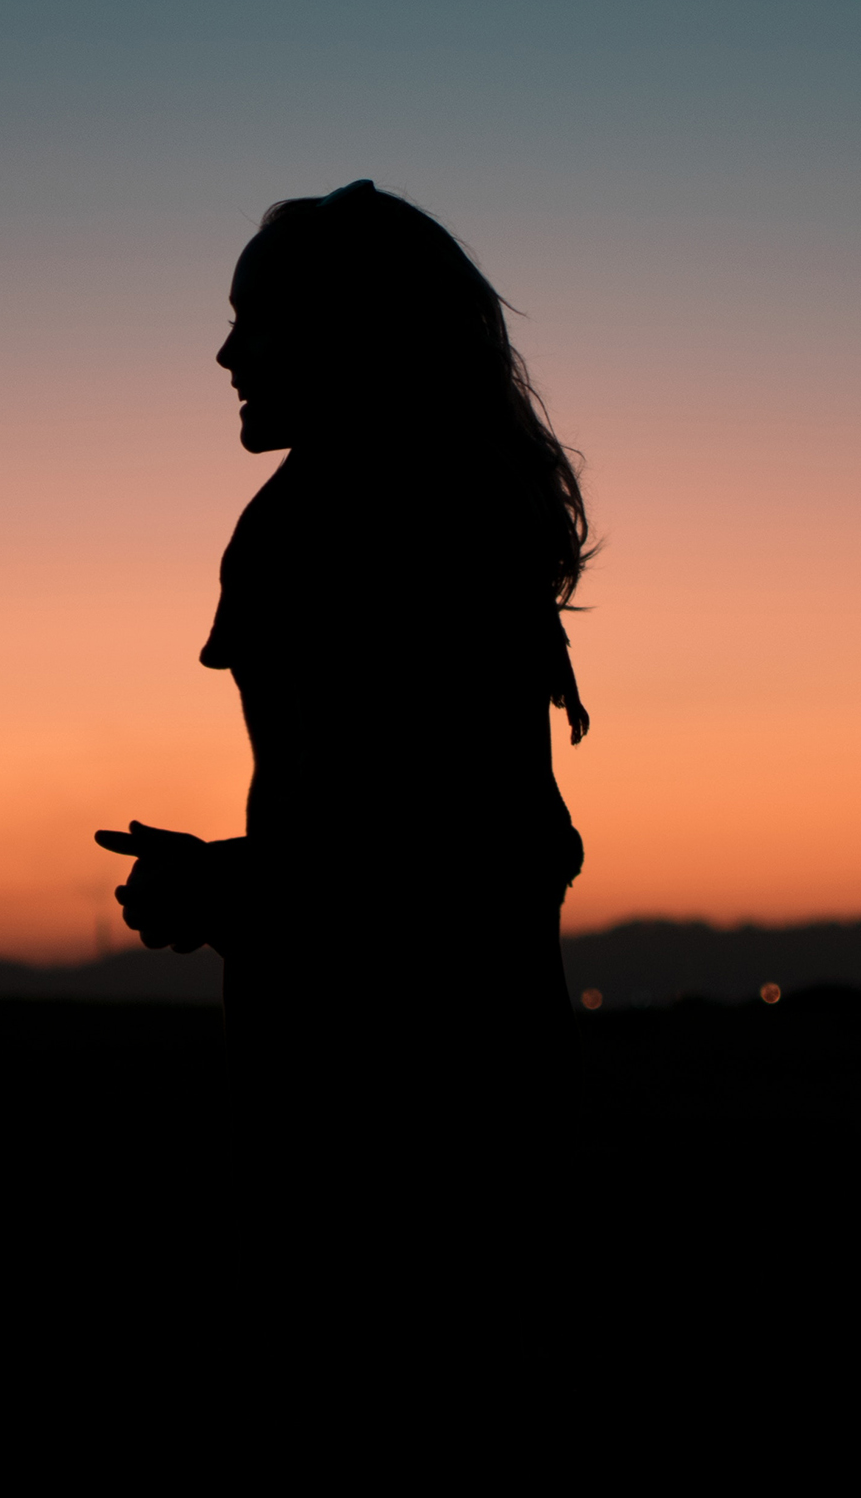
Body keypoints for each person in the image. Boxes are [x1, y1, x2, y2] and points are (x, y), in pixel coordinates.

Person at [97, 182, 591, 1238]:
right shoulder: (439, 509)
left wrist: (227, 884)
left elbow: (438, 850)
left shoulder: (355, 526)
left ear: (354, 335)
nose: (228, 359)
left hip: (392, 1100)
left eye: (256, 324)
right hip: (457, 1073)